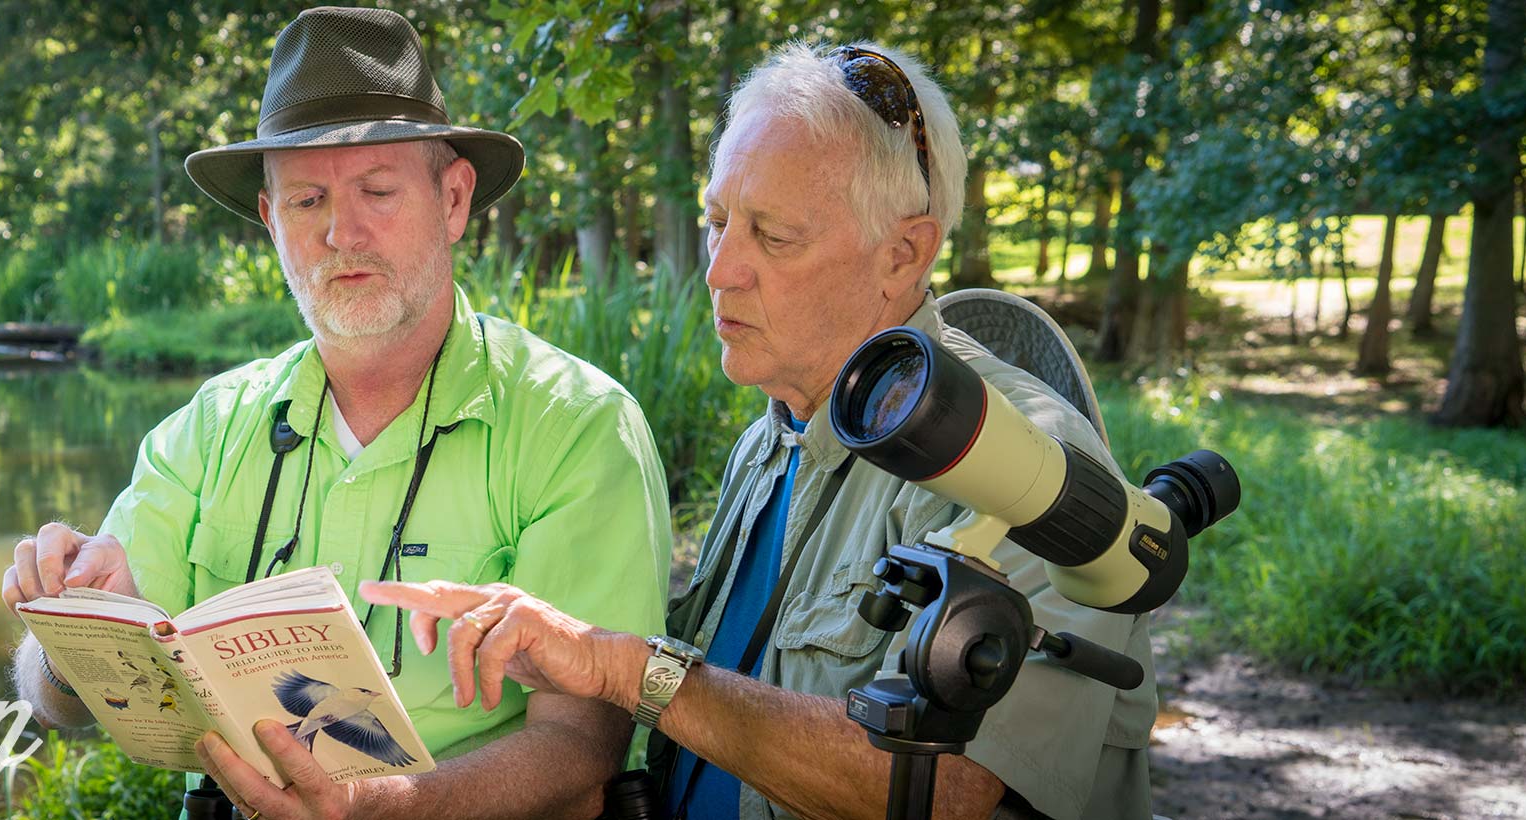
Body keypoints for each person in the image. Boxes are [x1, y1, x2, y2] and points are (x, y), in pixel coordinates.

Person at [363, 41, 1156, 820]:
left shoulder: (1023, 466)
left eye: (773, 236)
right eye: (716, 221)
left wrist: (626, 668)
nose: (720, 270)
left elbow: (947, 792)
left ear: (904, 254)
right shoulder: (773, 435)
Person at [0, 8, 673, 819]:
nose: (340, 231)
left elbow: (582, 747)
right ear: (271, 220)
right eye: (307, 198)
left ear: (453, 198)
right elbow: (59, 704)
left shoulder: (579, 426)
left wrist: (386, 807)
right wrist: (70, 634)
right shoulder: (206, 430)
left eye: (377, 191)